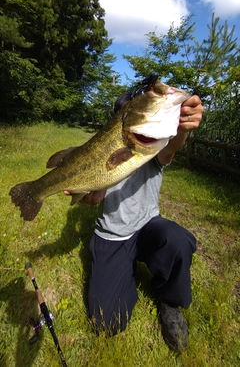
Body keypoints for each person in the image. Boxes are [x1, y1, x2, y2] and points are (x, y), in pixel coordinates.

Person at [66, 88, 203, 352]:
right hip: (112, 234)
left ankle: (170, 301)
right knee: (107, 322)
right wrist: (85, 194)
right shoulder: (109, 146)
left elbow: (172, 145)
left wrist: (184, 127)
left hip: (148, 227)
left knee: (178, 239)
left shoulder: (154, 147)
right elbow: (92, 187)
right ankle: (124, 271)